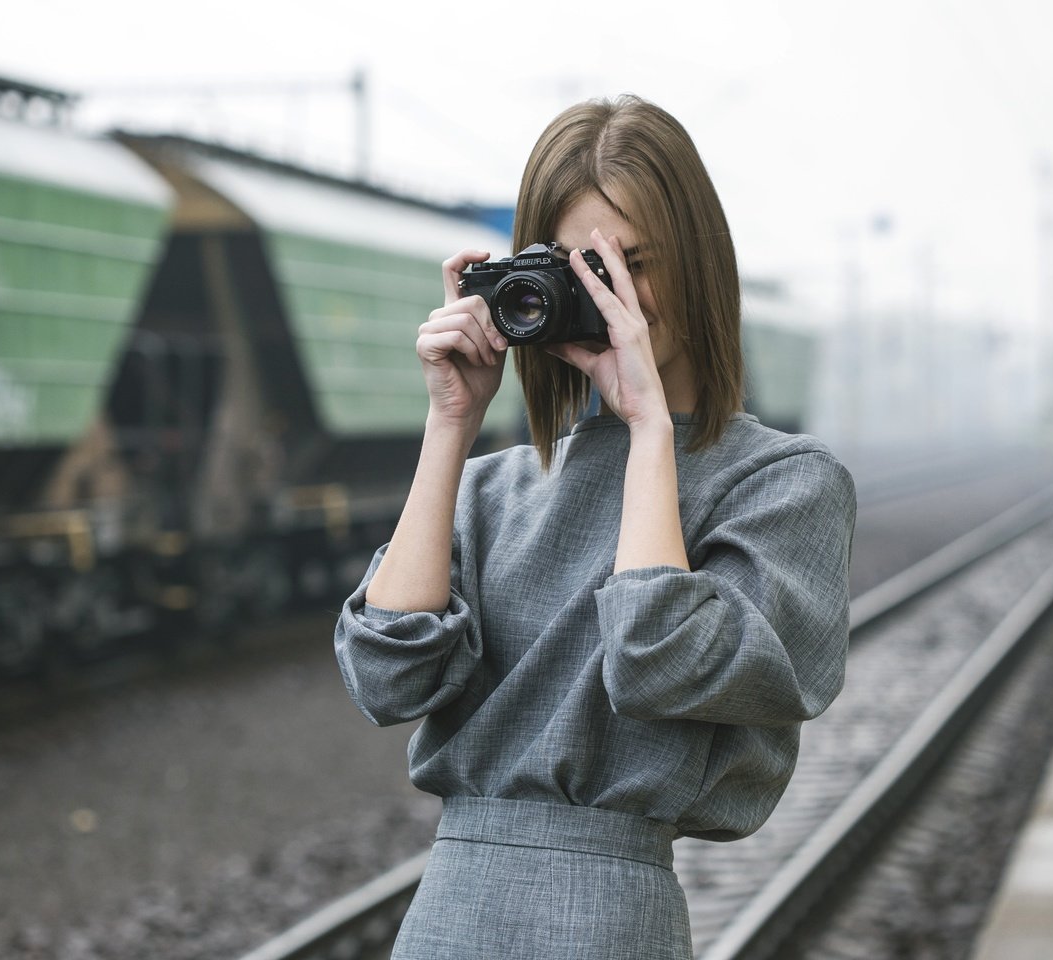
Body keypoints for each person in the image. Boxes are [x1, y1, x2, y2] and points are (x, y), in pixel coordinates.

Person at [334, 94, 856, 959]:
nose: (622, 299)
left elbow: (657, 659)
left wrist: (650, 426)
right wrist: (451, 423)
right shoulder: (495, 487)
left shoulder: (784, 485)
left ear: (702, 265)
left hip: (612, 914)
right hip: (447, 916)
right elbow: (385, 680)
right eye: (586, 269)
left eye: (637, 262)